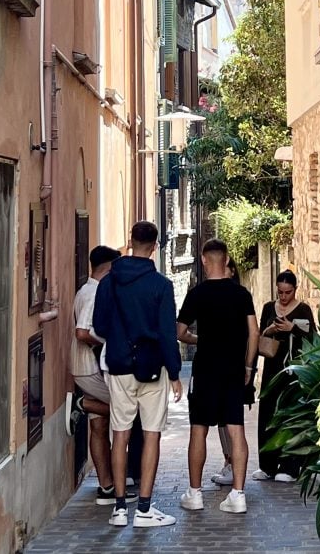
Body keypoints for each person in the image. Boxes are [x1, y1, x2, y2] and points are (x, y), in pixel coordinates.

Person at [93, 220, 182, 529]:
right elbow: (168, 333)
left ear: (130, 242)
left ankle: (119, 508)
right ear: (154, 247)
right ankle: (144, 508)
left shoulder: (109, 281)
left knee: (120, 434)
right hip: (151, 367)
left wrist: (119, 339)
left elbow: (100, 326)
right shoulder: (161, 285)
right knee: (151, 433)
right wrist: (174, 372)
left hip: (118, 365)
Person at [176, 239, 259, 514]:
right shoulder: (242, 294)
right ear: (226, 260)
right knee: (236, 429)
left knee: (198, 429)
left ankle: (195, 493)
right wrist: (249, 367)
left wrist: (200, 339)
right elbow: (254, 332)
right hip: (234, 369)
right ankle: (238, 494)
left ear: (203, 260)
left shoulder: (197, 294)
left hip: (205, 370)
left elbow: (179, 332)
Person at [66, 244, 138, 506]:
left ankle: (106, 487)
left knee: (98, 426)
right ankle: (80, 404)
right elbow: (82, 333)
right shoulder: (95, 293)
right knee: (129, 408)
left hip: (84, 367)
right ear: (108, 269)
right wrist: (111, 339)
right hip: (90, 368)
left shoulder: (86, 289)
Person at [253, 270, 315, 482]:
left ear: (294, 290)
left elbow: (313, 338)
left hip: (294, 369)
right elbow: (260, 335)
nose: (283, 297)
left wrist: (293, 329)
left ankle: (289, 467)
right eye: (280, 292)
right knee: (268, 412)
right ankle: (267, 464)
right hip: (272, 368)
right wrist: (271, 329)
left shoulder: (304, 309)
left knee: (291, 413)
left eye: (287, 292)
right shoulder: (269, 308)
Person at [211, 258, 241, 488]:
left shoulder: (239, 296)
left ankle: (233, 466)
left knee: (230, 420)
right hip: (224, 366)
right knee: (224, 420)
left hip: (231, 366)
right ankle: (229, 462)